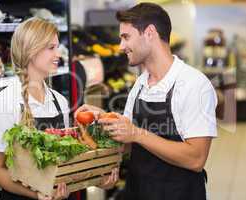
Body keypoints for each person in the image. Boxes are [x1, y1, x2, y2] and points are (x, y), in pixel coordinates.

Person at [75, 3, 217, 200]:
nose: (121, 46)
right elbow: (127, 145)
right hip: (137, 191)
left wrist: (137, 133)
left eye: (126, 37)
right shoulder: (141, 83)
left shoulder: (193, 84)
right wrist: (103, 122)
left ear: (149, 33)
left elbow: (196, 158)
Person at [0, 17, 70, 200]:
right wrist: (36, 194)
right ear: (31, 51)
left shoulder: (60, 102)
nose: (58, 55)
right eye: (51, 48)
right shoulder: (4, 104)